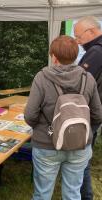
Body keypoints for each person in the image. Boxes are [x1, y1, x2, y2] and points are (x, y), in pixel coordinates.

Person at [24, 35, 102, 200]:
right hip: (80, 145)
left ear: (54, 56)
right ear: (75, 56)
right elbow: (98, 115)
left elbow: (30, 116)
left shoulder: (42, 77)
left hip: (47, 144)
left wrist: (46, 128)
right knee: (73, 193)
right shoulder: (87, 78)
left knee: (42, 194)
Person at [74, 16, 102, 200]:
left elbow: (78, 81)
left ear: (91, 32)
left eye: (78, 37)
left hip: (88, 114)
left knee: (80, 161)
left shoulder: (96, 52)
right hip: (96, 113)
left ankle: (86, 196)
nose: (77, 41)